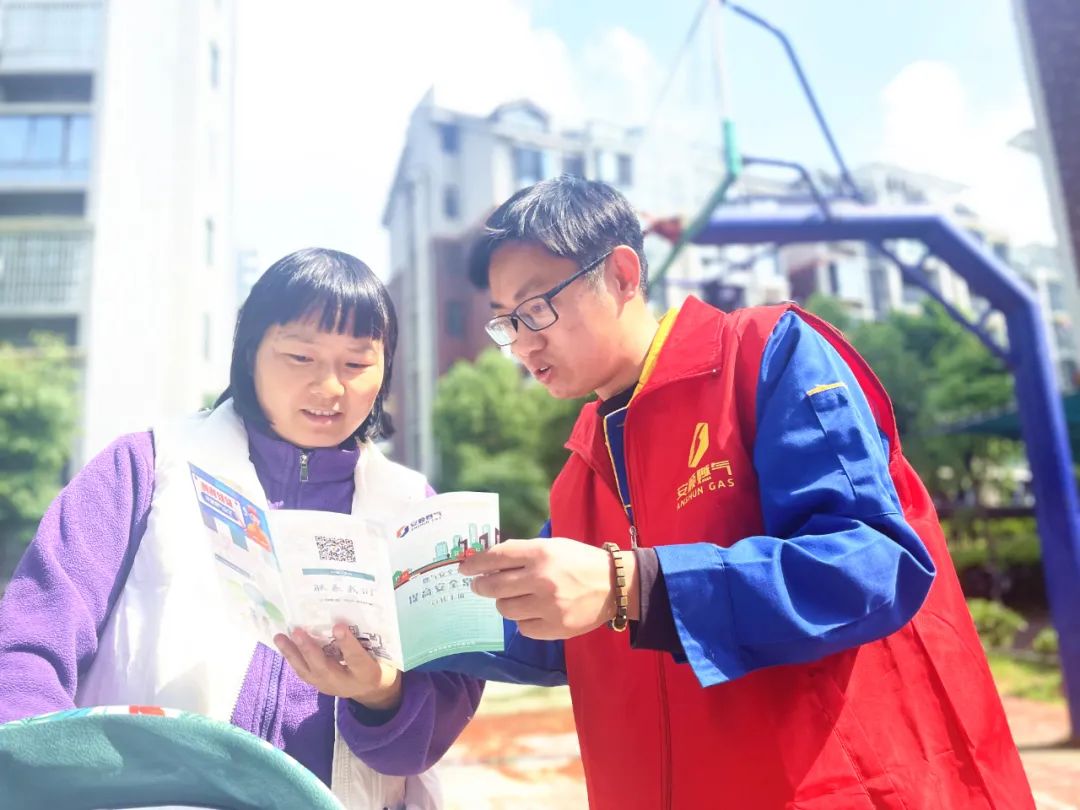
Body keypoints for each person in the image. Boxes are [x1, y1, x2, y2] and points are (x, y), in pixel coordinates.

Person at [450, 176, 1034, 809]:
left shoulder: (763, 355)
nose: (524, 343)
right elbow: (555, 633)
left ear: (621, 274)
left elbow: (874, 560)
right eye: (507, 322)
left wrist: (634, 585)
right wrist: (398, 630)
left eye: (537, 308)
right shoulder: (579, 474)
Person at [0, 248, 483, 809]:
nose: (330, 388)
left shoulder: (414, 509)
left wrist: (383, 695)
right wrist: (39, 770)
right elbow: (33, 637)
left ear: (386, 368)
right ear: (250, 352)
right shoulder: (147, 466)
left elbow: (447, 703)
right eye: (300, 357)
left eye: (356, 364)